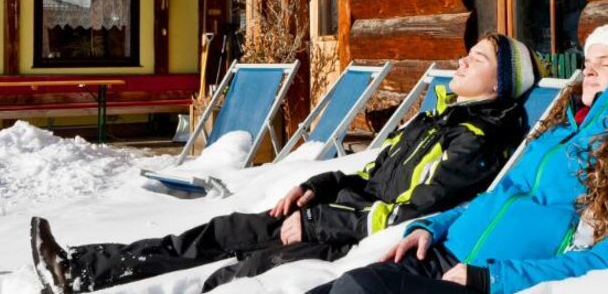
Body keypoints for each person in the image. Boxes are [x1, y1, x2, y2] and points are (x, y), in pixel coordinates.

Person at [30, 33, 542, 294]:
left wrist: (320, 219)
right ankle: (80, 271)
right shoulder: (441, 120)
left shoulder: (477, 142)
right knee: (217, 232)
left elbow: (408, 212)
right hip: (331, 214)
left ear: (501, 84)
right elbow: (371, 173)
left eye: (476, 59)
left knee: (236, 276)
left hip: (349, 238)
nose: (461, 62)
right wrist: (319, 184)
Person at [308, 17, 608, 294]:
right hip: (443, 254)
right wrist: (431, 227)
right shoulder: (560, 130)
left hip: (493, 281)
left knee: (362, 287)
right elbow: (495, 196)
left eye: (606, 64)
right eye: (588, 65)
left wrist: (494, 277)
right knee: (332, 290)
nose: (589, 73)